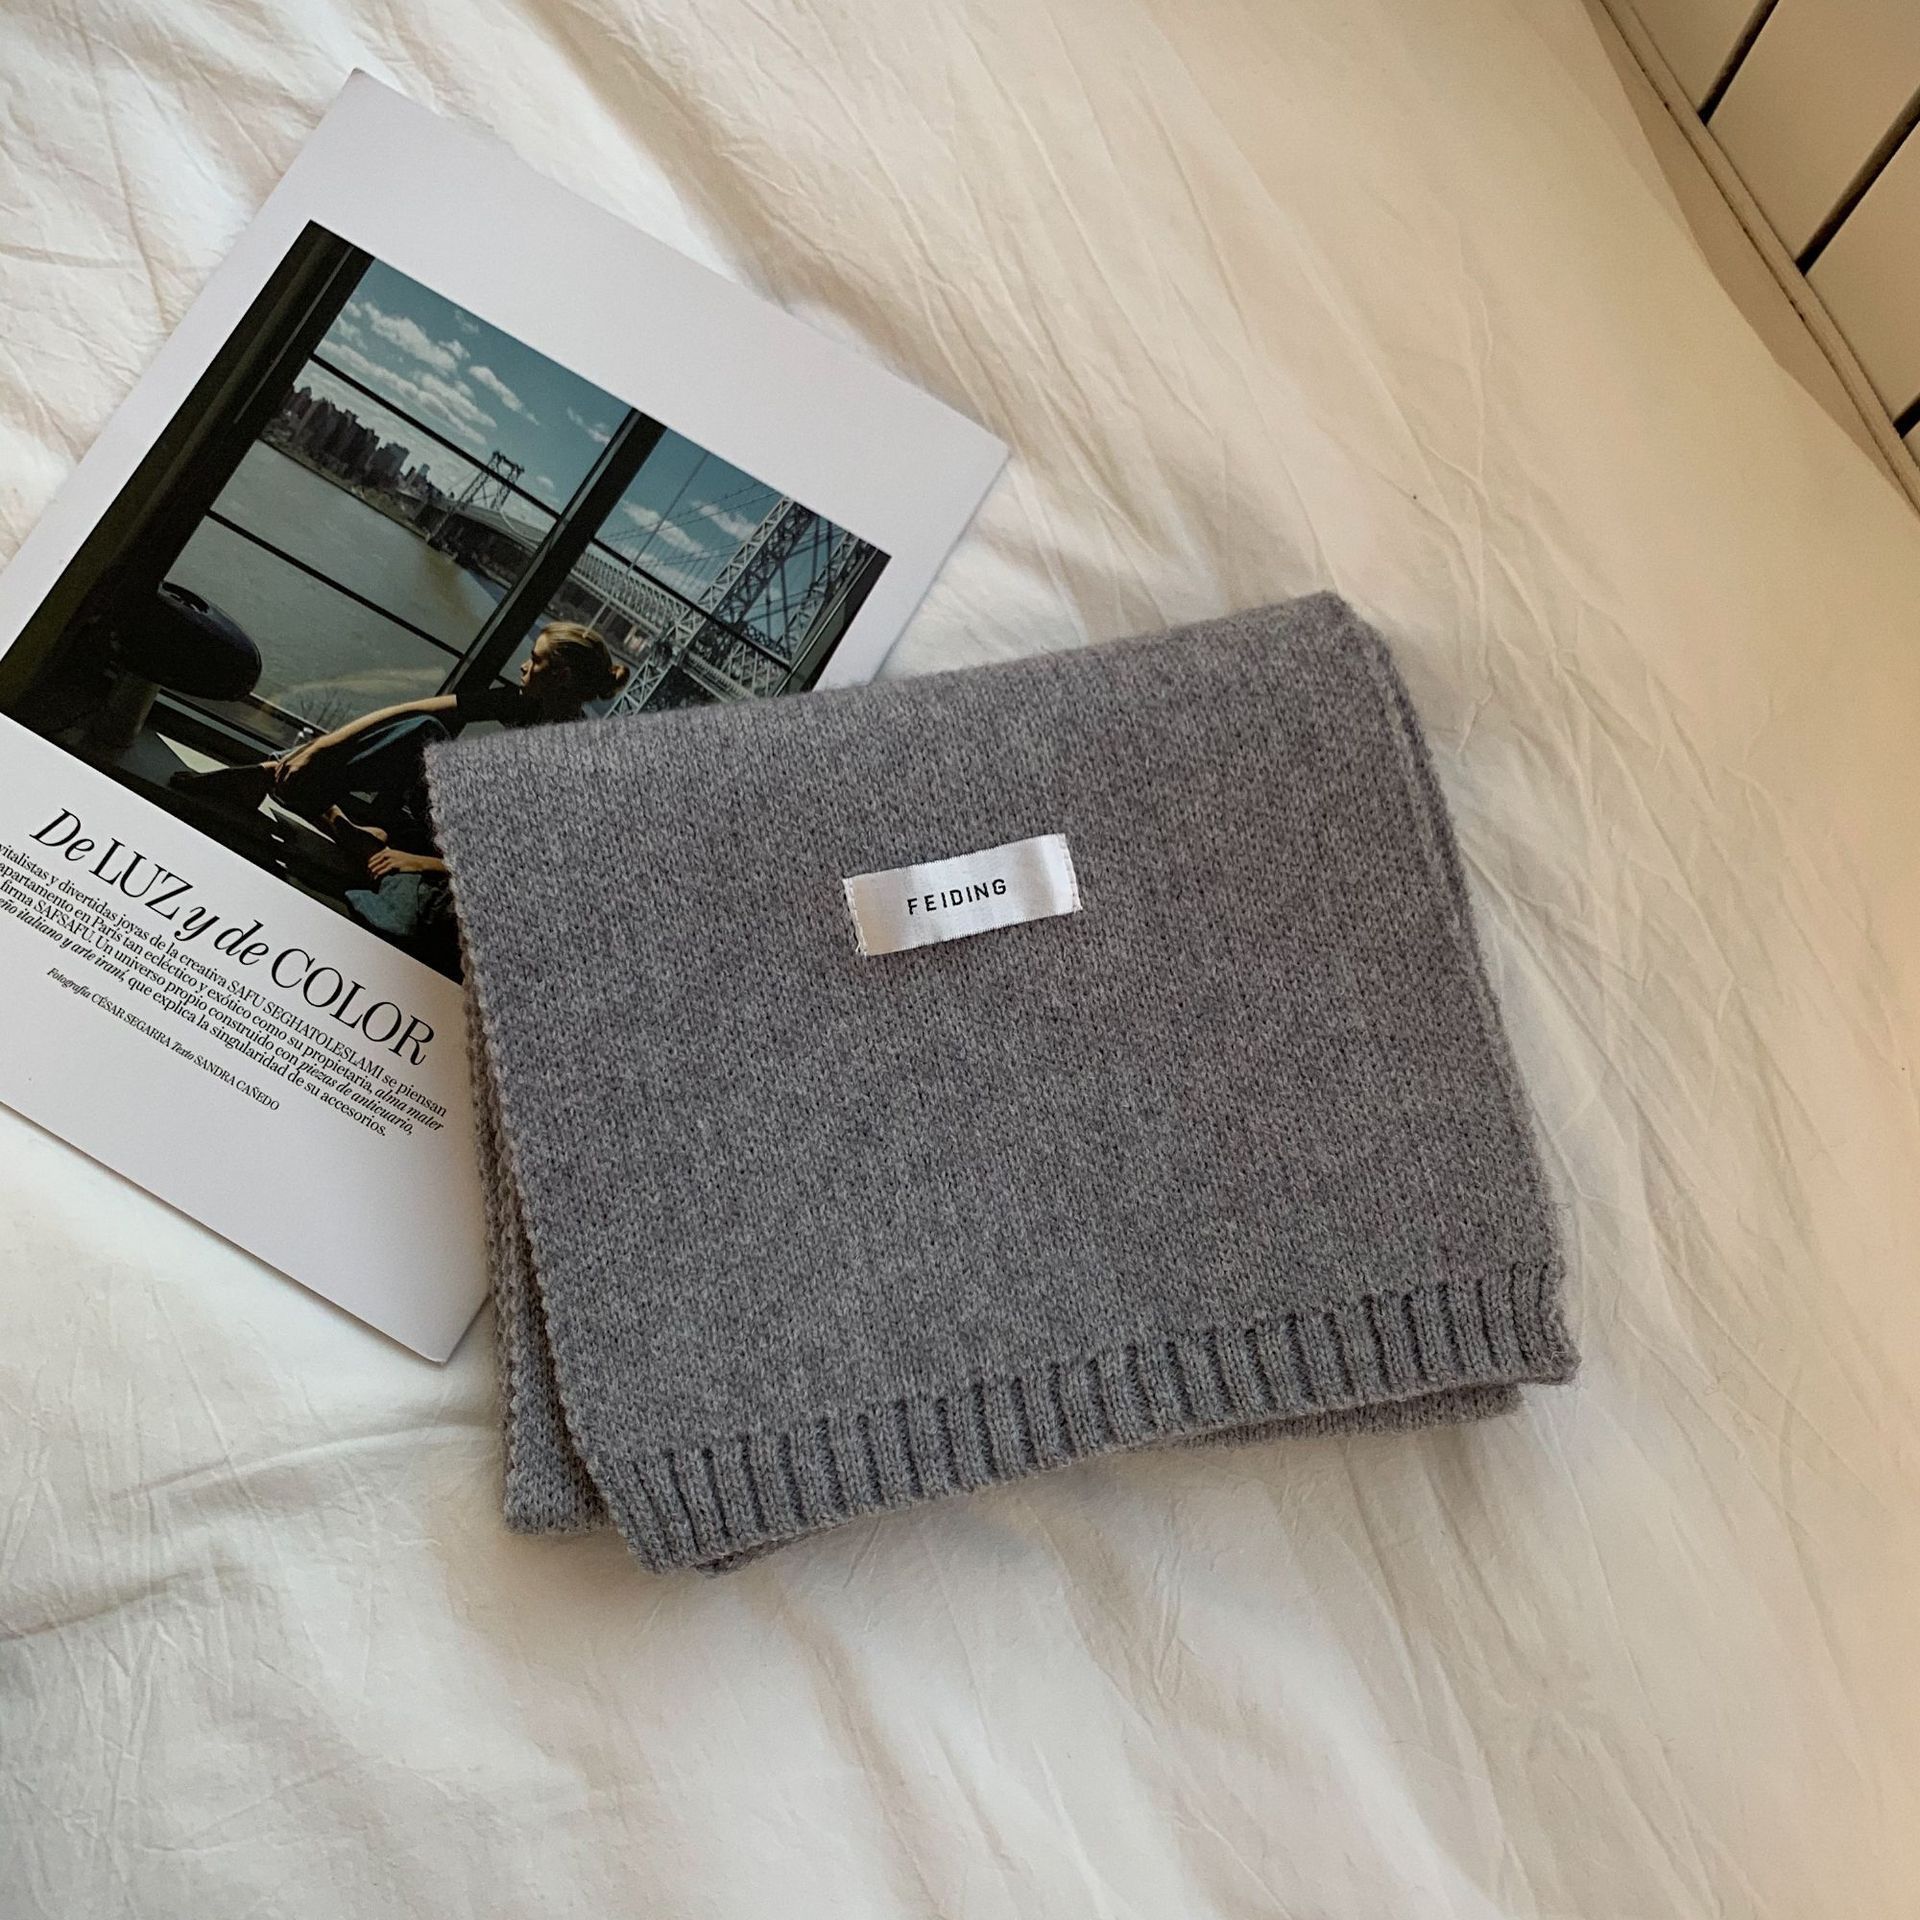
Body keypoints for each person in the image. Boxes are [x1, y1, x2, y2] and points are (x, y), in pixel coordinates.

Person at [171, 621, 630, 882]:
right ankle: (292, 780)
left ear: (561, 677)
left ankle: (298, 793)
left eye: (536, 659)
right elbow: (411, 711)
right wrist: (321, 746)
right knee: (423, 730)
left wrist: (423, 863)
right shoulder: (525, 703)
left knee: (418, 745)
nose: (524, 665)